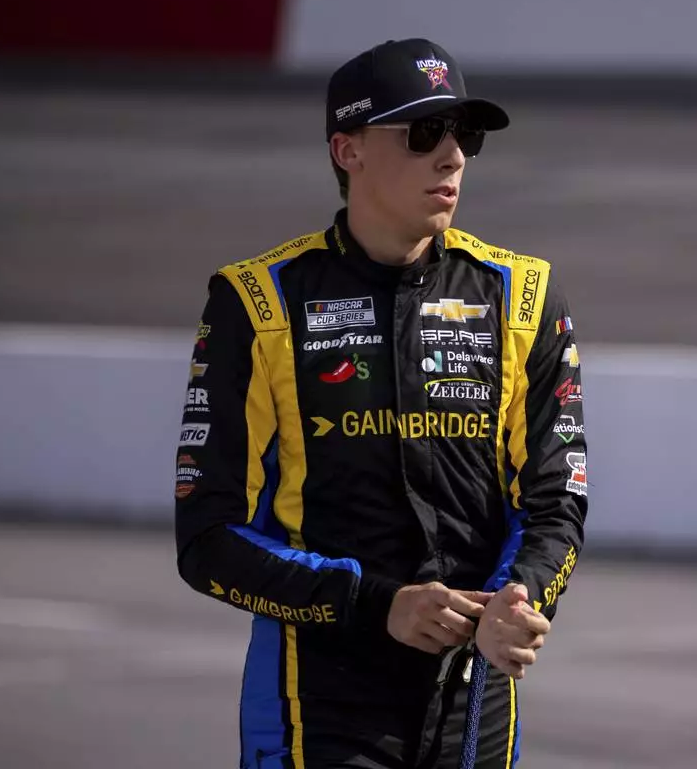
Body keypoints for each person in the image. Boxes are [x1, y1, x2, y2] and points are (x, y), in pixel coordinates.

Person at [174, 38, 588, 769]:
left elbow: (556, 501)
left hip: (475, 700)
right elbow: (208, 540)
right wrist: (380, 605)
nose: (452, 156)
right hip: (319, 700)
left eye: (464, 134)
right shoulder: (258, 301)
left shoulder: (522, 296)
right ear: (348, 148)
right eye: (423, 134)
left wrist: (519, 601)